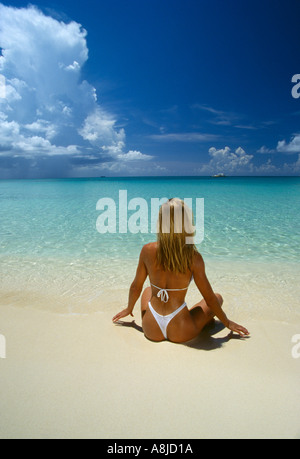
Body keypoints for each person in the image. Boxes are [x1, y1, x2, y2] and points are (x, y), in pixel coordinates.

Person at [112, 198, 249, 343]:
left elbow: (135, 287)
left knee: (147, 290)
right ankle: (204, 323)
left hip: (151, 328)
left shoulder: (147, 250)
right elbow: (209, 299)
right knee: (217, 297)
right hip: (181, 329)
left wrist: (128, 309)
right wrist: (227, 322)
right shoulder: (194, 258)